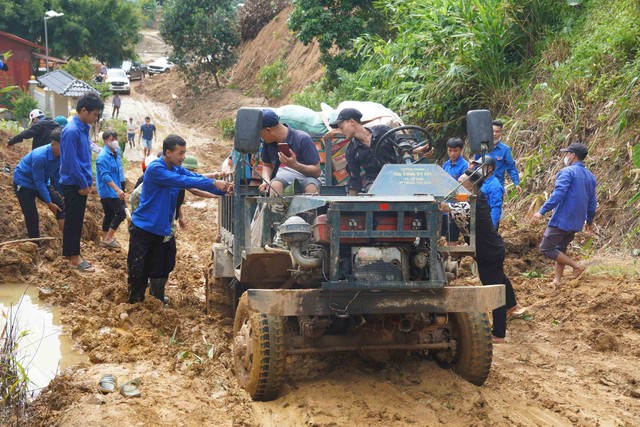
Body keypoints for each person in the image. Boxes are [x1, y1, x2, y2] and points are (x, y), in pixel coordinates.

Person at [127, 135, 232, 304]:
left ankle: (156, 300)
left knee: (161, 267)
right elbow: (183, 181)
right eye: (180, 153)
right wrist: (213, 183)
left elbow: (194, 177)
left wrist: (225, 190)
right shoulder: (156, 169)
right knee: (138, 269)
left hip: (161, 229)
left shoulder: (176, 168)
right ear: (168, 152)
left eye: (184, 152)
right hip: (144, 229)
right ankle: (134, 304)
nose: (183, 157)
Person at [441, 170, 520, 343]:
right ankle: (512, 304)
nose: (457, 185)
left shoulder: (472, 203)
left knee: (493, 291)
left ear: (470, 187)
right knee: (499, 278)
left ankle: (499, 333)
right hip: (491, 249)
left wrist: (435, 202)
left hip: (488, 252)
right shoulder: (475, 198)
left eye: (461, 183)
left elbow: (446, 207)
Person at [532, 142, 596, 287]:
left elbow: (558, 194)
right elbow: (592, 202)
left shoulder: (568, 172)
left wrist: (541, 211)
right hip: (577, 221)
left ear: (573, 155)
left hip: (563, 218)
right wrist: (589, 221)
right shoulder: (590, 176)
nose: (566, 156)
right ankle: (557, 280)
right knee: (560, 248)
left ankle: (576, 266)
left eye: (567, 154)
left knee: (546, 248)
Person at [327, 108, 433, 195]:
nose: (340, 132)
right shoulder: (351, 150)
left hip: (396, 175)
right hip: (373, 181)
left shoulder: (382, 131)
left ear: (352, 122)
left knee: (417, 193)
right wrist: (348, 205)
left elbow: (402, 143)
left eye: (342, 127)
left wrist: (419, 150)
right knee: (375, 192)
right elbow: (355, 179)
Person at [59, 93, 104, 272]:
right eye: (94, 114)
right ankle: (74, 259)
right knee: (73, 221)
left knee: (75, 221)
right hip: (74, 184)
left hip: (81, 182)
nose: (95, 118)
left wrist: (89, 180)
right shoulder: (71, 131)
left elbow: (84, 159)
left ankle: (72, 254)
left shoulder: (83, 128)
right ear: (83, 110)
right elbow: (71, 161)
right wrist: (83, 184)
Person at [12, 128, 65, 239]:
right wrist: (49, 203)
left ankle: (68, 240)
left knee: (60, 206)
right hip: (24, 184)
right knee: (32, 216)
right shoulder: (40, 156)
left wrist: (62, 193)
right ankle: (35, 243)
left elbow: (57, 176)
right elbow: (38, 182)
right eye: (63, 145)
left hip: (43, 182)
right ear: (53, 144)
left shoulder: (61, 155)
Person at [258, 109, 321, 195]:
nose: (261, 137)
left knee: (311, 186)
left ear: (269, 130)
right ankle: (275, 207)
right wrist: (266, 181)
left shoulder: (302, 139)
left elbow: (317, 171)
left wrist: (295, 165)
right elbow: (266, 165)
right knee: (275, 185)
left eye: (261, 133)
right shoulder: (268, 143)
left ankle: (309, 208)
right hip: (281, 181)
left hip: (306, 180)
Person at [96, 130, 126, 249]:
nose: (114, 141)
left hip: (115, 187)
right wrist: (117, 189)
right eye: (111, 139)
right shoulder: (102, 157)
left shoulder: (116, 152)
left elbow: (118, 169)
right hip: (108, 191)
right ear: (105, 141)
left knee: (109, 214)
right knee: (121, 213)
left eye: (115, 139)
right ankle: (108, 238)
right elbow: (105, 176)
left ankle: (105, 238)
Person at [474, 120, 522, 193]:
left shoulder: (505, 150)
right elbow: (475, 166)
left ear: (501, 133)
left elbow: (511, 167)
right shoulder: (481, 147)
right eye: (492, 131)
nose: (494, 134)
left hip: (497, 187)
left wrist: (516, 183)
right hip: (481, 185)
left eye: (497, 131)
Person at [441, 137, 469, 245]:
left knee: (452, 237)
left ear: (461, 150)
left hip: (457, 207)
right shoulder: (446, 165)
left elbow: (465, 187)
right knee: (444, 236)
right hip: (445, 206)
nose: (452, 154)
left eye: (455, 151)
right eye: (450, 150)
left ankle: (452, 258)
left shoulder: (464, 166)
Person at [474, 156, 504, 230]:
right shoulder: (479, 181)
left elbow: (496, 207)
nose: (478, 169)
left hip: (487, 221)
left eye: (481, 167)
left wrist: (492, 226)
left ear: (490, 168)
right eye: (478, 166)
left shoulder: (494, 185)